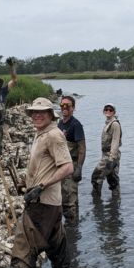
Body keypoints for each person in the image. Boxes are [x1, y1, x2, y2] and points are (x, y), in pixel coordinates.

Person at [5, 97, 74, 268]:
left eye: (42, 112)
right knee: (56, 244)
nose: (37, 115)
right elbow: (44, 166)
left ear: (51, 115)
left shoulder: (54, 135)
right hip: (50, 205)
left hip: (42, 204)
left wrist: (41, 186)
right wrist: (27, 183)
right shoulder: (41, 133)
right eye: (34, 112)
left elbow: (68, 167)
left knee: (23, 249)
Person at [58, 96, 86, 227]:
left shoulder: (76, 125)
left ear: (73, 108)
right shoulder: (60, 123)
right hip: (61, 166)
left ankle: (73, 228)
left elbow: (82, 149)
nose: (65, 107)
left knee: (70, 199)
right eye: (62, 104)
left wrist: (79, 168)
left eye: (68, 105)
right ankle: (71, 226)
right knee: (64, 197)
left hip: (71, 166)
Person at [91, 103, 122, 196]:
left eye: (110, 110)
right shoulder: (108, 123)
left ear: (114, 112)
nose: (108, 111)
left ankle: (96, 200)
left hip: (110, 155)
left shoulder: (114, 124)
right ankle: (115, 201)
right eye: (106, 109)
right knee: (113, 179)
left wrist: (111, 159)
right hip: (109, 155)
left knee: (96, 177)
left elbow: (115, 142)